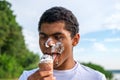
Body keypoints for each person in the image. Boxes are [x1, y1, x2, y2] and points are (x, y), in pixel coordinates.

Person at [19, 6, 106, 80]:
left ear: (75, 40)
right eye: (43, 37)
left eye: (58, 37)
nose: (48, 43)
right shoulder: (27, 77)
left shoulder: (95, 78)